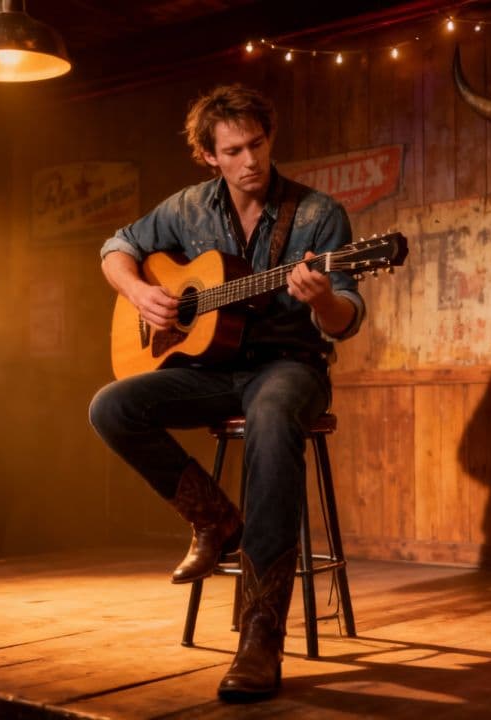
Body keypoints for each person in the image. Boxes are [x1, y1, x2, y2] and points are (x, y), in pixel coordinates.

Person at [88, 84, 364, 702]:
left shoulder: (319, 216)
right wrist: (140, 294)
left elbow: (346, 315)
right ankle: (215, 519)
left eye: (257, 144)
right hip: (213, 370)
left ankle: (261, 632)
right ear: (210, 155)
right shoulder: (187, 208)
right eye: (233, 150)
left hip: (290, 367)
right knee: (111, 405)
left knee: (270, 414)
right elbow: (115, 248)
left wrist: (323, 300)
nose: (250, 161)